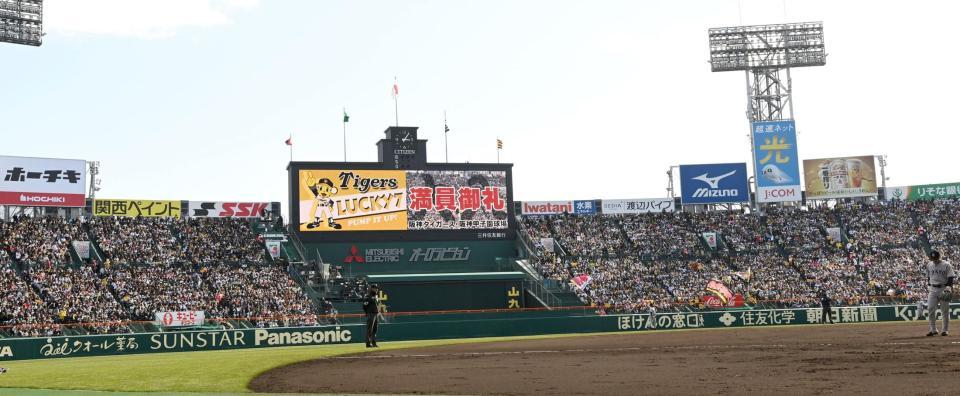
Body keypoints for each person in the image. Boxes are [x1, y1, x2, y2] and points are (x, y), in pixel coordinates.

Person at [926, 250, 955, 336]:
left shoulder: (946, 264)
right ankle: (933, 329)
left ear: (939, 257)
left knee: (945, 311)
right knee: (930, 309)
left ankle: (945, 330)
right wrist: (929, 284)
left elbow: (950, 276)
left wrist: (949, 286)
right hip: (933, 289)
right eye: (932, 258)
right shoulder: (929, 265)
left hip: (943, 288)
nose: (934, 259)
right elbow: (929, 276)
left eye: (935, 258)